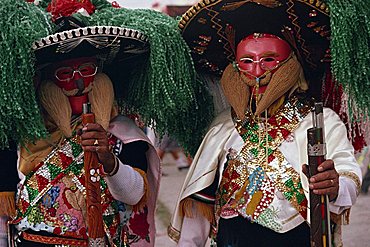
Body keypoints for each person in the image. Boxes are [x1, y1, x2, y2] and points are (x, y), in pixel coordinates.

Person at [0, 0, 212, 246]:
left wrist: (109, 160)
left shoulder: (125, 134)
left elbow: (134, 196)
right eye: (65, 75)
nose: (79, 83)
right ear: (47, 83)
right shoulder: (24, 132)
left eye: (87, 70)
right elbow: (5, 210)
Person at [169, 1, 368, 246]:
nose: (258, 71)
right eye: (247, 61)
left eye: (269, 60)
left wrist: (336, 185)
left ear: (291, 64)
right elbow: (201, 201)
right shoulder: (222, 126)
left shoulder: (321, 119)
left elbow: (348, 172)